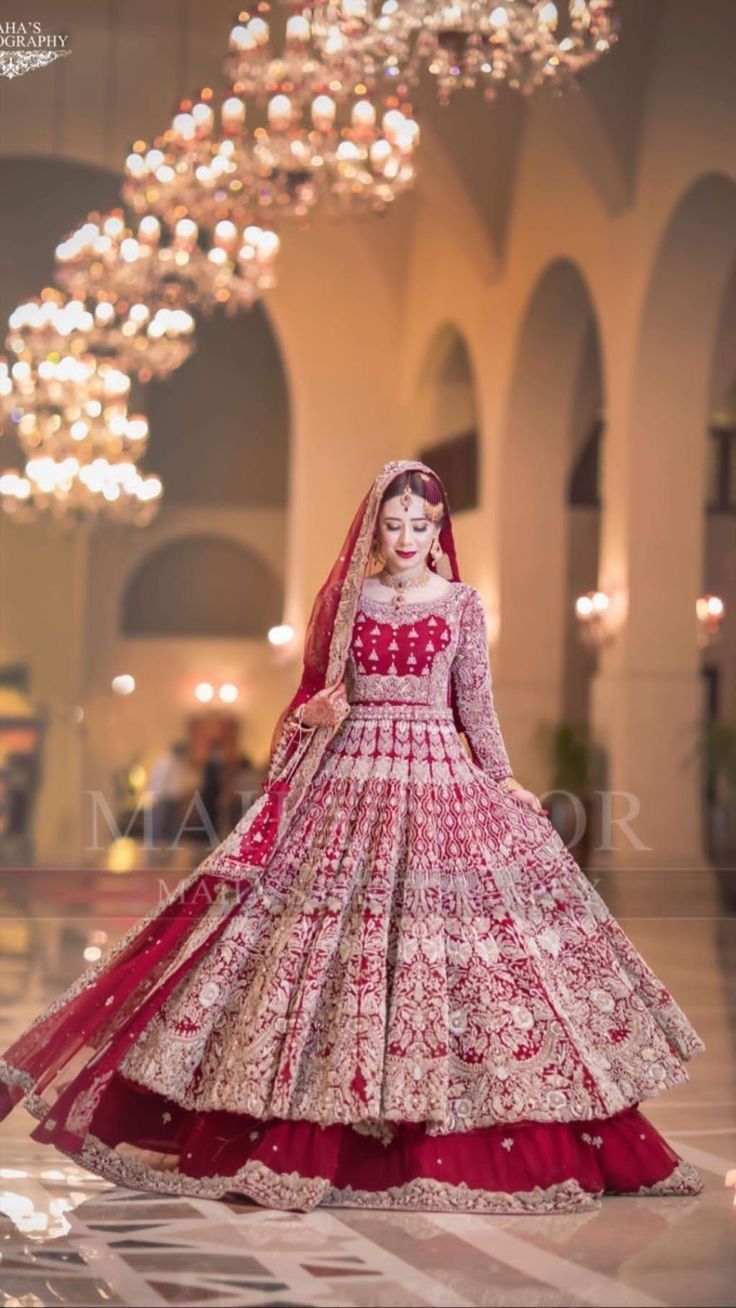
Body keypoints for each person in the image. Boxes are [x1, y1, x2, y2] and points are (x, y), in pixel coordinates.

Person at [0, 460, 705, 1213]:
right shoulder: (345, 599)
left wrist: (501, 780)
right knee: (328, 951)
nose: (406, 537)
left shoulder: (463, 604)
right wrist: (312, 719)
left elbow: (476, 703)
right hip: (347, 781)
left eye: (421, 524)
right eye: (394, 522)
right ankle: (304, 1115)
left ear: (439, 530)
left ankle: (455, 1118)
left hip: (440, 783)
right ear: (375, 525)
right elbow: (310, 693)